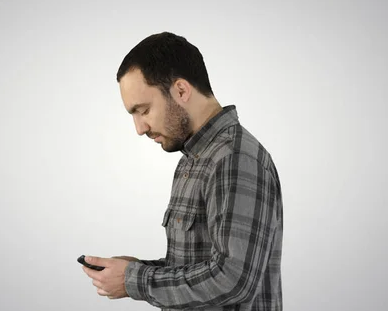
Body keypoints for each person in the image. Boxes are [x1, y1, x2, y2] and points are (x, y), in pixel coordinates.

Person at [81, 31, 283, 310]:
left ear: (181, 90)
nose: (139, 129)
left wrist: (135, 281)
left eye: (144, 110)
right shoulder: (193, 159)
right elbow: (196, 267)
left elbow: (234, 281)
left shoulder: (234, 158)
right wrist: (133, 270)